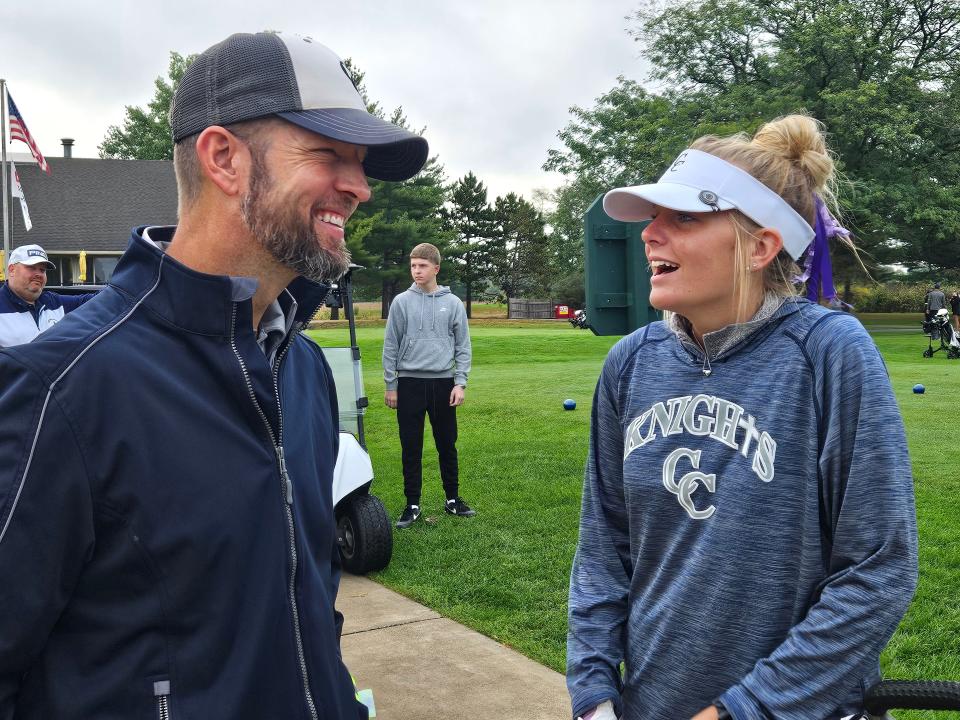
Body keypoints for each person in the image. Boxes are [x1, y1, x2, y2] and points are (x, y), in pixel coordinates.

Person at [0, 32, 428, 720]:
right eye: (329, 156)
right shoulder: (63, 387)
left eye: (361, 165)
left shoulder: (303, 369)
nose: (359, 188)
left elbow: (308, 598)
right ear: (224, 158)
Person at [567, 115, 918, 720]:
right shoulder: (631, 363)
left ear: (760, 247)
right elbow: (604, 547)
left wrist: (741, 709)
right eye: (652, 217)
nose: (650, 235)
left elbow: (878, 568)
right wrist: (594, 693)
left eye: (682, 218)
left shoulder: (830, 353)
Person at [382, 242, 474, 528]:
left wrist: (460, 383)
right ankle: (412, 504)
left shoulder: (453, 303)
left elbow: (463, 346)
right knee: (411, 447)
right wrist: (391, 384)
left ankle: (452, 500)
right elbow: (390, 346)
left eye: (422, 266)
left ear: (436, 268)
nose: (416, 271)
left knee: (447, 444)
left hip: (443, 384)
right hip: (409, 383)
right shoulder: (401, 302)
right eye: (413, 266)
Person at [0, 243, 96, 347]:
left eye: (42, 270)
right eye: (31, 267)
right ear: (12, 270)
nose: (39, 274)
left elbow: (100, 300)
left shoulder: (54, 303)